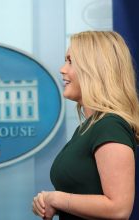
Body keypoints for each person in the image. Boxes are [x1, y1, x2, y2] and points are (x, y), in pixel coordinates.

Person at [32, 31, 138, 219]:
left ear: (95, 69)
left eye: (71, 61)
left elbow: (119, 209)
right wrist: (50, 203)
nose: (62, 69)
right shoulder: (89, 127)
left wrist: (56, 199)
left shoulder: (109, 126)